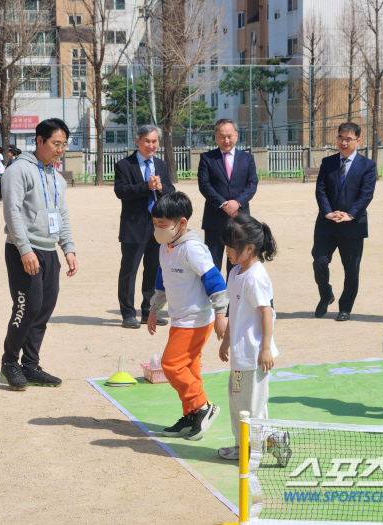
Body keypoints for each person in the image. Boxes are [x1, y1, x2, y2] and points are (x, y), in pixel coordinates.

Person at [0, 118, 78, 390]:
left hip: (48, 251)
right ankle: (10, 362)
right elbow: (12, 212)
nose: (60, 149)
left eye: (64, 144)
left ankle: (30, 365)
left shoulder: (57, 178)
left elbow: (62, 214)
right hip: (24, 250)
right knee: (27, 306)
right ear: (39, 141)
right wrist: (24, 249)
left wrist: (68, 248)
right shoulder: (18, 170)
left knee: (44, 309)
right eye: (56, 143)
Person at [147, 192, 227, 441]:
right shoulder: (165, 247)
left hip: (196, 320)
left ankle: (203, 406)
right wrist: (153, 308)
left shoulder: (193, 248)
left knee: (171, 364)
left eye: (163, 224)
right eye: (155, 224)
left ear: (182, 222)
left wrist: (221, 314)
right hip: (179, 318)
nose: (158, 229)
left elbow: (214, 280)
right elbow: (163, 279)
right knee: (190, 369)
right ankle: (192, 414)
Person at [216, 215, 291, 466]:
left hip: (255, 356)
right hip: (239, 355)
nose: (226, 250)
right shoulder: (236, 272)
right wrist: (226, 341)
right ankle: (243, 446)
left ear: (249, 248)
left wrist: (266, 348)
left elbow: (267, 312)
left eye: (231, 245)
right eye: (226, 244)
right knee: (237, 404)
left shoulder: (256, 276)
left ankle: (257, 451)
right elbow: (234, 312)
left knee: (254, 409)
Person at [312, 122, 376, 321]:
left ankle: (345, 307)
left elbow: (366, 195)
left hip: (353, 225)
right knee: (319, 262)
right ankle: (326, 295)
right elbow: (320, 190)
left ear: (358, 141)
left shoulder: (368, 166)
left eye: (349, 139)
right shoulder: (328, 162)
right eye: (340, 138)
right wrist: (328, 212)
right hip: (326, 223)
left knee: (351, 268)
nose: (344, 142)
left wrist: (351, 214)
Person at [114, 124, 175, 329]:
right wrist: (145, 187)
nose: (151, 145)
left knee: (153, 269)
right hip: (134, 226)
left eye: (154, 141)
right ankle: (128, 314)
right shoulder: (124, 165)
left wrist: (161, 187)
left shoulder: (161, 164)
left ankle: (148, 311)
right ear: (138, 141)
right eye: (147, 141)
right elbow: (121, 191)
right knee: (129, 270)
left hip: (158, 226)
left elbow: (171, 190)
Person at [197, 119, 259, 274]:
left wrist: (238, 203)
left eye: (229, 136)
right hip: (214, 218)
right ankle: (215, 297)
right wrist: (223, 204)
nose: (226, 140)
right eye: (222, 136)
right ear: (216, 137)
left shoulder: (247, 158)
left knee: (238, 263)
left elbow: (252, 184)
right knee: (212, 262)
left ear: (236, 136)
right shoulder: (207, 158)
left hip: (240, 219)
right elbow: (204, 185)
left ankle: (235, 297)